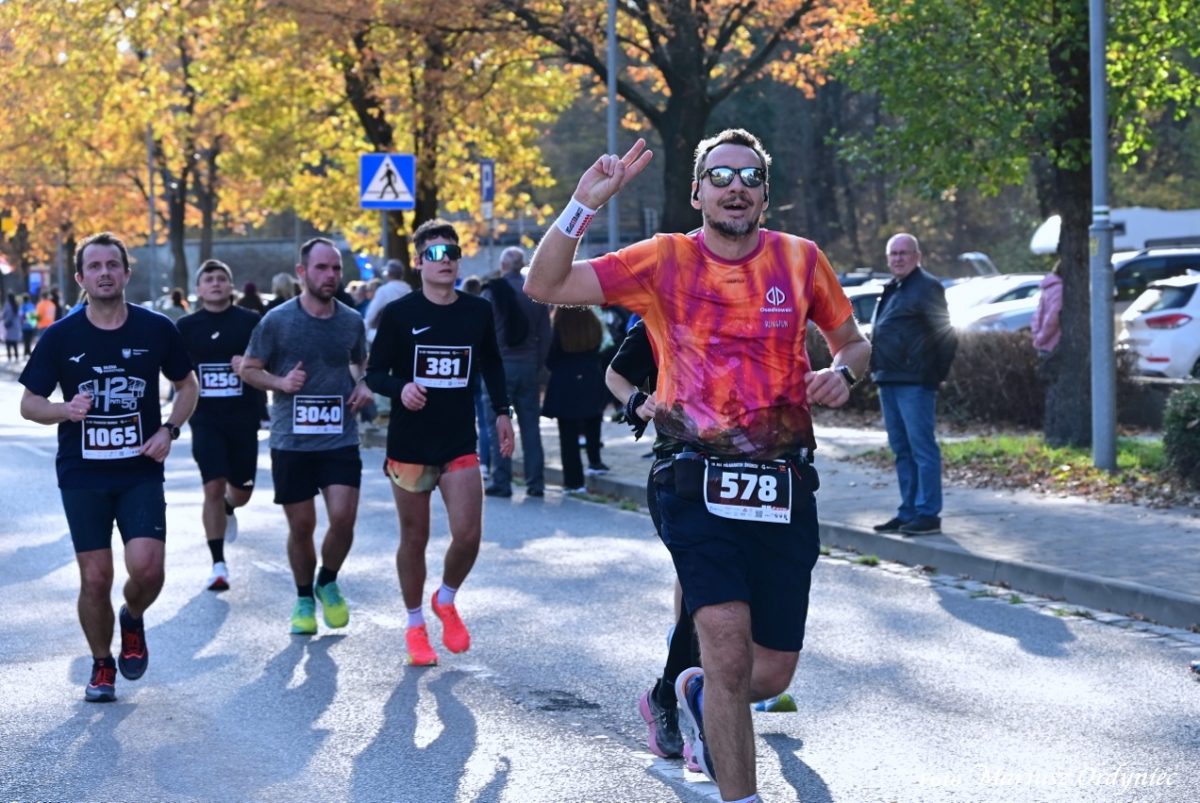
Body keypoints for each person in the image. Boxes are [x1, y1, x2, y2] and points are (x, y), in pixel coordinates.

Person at [525, 130, 870, 802]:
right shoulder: (663, 258)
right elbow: (545, 284)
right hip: (692, 474)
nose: (735, 186)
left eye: (749, 176)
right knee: (727, 646)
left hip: (784, 481)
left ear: (765, 195)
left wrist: (843, 374)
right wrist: (583, 204)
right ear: (697, 193)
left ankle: (694, 692)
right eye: (720, 176)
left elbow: (853, 344)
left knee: (769, 673)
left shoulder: (801, 260)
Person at [18, 231, 198, 702]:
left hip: (139, 468)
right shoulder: (60, 336)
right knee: (95, 578)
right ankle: (102, 664)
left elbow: (188, 385)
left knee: (148, 570)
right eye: (94, 267)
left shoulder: (156, 328)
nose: (104, 273)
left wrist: (169, 430)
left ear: (126, 273)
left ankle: (132, 618)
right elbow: (29, 404)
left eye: (112, 265)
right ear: (80, 278)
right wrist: (65, 410)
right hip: (83, 472)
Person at [365, 219, 515, 666]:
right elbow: (374, 374)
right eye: (434, 253)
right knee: (414, 538)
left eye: (451, 252)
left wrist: (503, 413)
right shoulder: (400, 314)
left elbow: (491, 363)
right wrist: (401, 389)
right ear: (418, 262)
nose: (444, 260)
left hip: (458, 439)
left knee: (468, 535)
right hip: (410, 443)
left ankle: (445, 598)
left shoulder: (476, 311)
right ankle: (415, 625)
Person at [240, 237, 373, 635]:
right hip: (291, 442)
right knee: (302, 527)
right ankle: (302, 599)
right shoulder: (277, 321)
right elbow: (248, 368)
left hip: (339, 438)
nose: (331, 275)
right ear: (302, 272)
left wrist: (363, 384)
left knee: (343, 519)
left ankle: (327, 580)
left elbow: (361, 363)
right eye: (321, 268)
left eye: (336, 268)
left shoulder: (351, 320)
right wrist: (281, 382)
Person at [177, 260, 265, 591]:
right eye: (208, 279)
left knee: (242, 492)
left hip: (243, 418)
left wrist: (250, 365)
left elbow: (271, 359)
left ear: (231, 286)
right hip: (206, 419)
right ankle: (218, 564)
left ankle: (230, 505)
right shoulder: (186, 326)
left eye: (221, 278)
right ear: (198, 289)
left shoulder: (251, 322)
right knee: (212, 485)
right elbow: (174, 370)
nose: (215, 283)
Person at [869, 233, 958, 537]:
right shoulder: (892, 288)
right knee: (901, 450)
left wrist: (935, 374)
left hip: (916, 382)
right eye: (893, 254)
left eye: (904, 253)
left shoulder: (927, 286)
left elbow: (946, 334)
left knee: (922, 449)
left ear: (917, 256)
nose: (898, 258)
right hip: (888, 379)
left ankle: (928, 513)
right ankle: (908, 511)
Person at [482, 246, 551, 498]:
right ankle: (536, 483)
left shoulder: (492, 292)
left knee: (497, 424)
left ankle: (502, 481)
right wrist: (536, 363)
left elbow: (483, 333)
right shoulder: (534, 292)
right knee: (531, 426)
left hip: (499, 368)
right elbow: (545, 334)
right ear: (522, 266)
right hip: (528, 366)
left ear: (502, 266)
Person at [541, 305, 608, 493]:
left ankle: (574, 481)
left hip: (565, 380)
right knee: (594, 421)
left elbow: (550, 358)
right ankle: (595, 461)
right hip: (591, 375)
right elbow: (600, 348)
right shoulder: (593, 322)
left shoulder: (558, 326)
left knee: (568, 434)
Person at [364, 259, 412, 346]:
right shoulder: (409, 290)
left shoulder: (384, 290)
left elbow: (371, 314)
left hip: (387, 336)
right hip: (407, 335)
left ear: (388, 274)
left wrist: (364, 332)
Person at [1031, 262, 1063, 356]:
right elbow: (1053, 318)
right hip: (1053, 344)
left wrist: (1037, 335)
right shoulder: (1060, 290)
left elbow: (1038, 315)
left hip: (1045, 343)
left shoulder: (1048, 289)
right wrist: (1041, 338)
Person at [3, 292, 20, 360]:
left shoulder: (7, 305)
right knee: (15, 342)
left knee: (8, 341)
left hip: (9, 325)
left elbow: (5, 314)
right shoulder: (16, 304)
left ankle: (9, 356)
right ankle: (16, 355)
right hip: (16, 326)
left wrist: (5, 321)